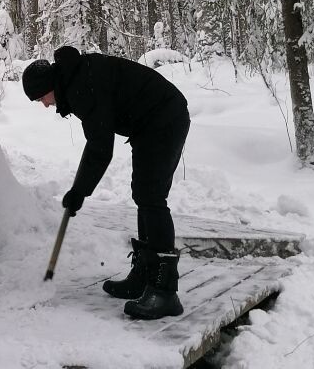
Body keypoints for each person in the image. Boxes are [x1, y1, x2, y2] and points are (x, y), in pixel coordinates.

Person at [22, 46, 190, 320]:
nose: (45, 104)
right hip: (149, 122)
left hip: (164, 117)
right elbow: (97, 142)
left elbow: (100, 148)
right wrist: (79, 190)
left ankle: (165, 291)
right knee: (144, 194)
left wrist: (79, 191)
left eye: (42, 97)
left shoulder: (81, 86)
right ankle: (145, 275)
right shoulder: (76, 77)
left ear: (50, 86)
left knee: (151, 196)